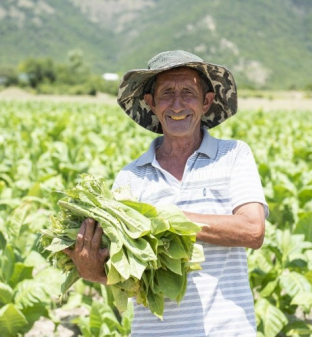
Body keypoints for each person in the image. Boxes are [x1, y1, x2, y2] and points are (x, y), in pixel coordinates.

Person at [64, 50, 268, 336]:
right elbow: (124, 274)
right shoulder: (131, 177)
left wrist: (166, 218)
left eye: (188, 92)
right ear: (151, 104)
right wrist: (91, 269)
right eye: (166, 94)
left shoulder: (234, 155)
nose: (177, 104)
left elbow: (252, 230)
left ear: (206, 101)